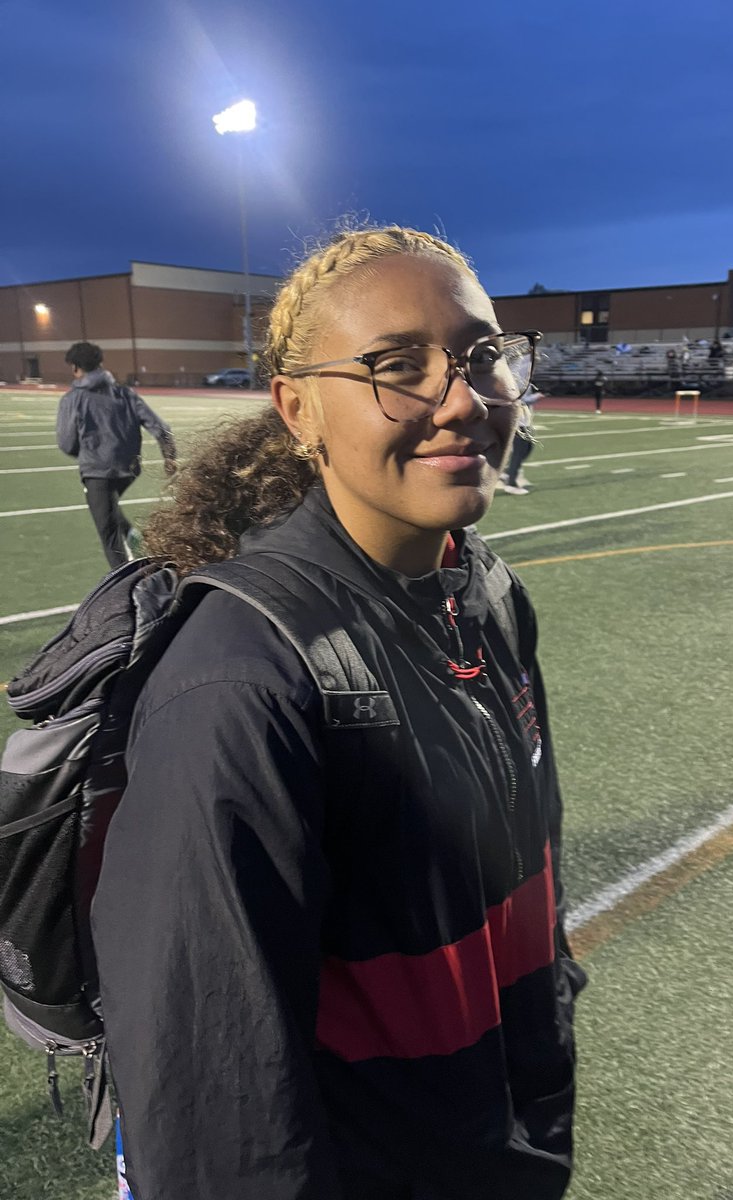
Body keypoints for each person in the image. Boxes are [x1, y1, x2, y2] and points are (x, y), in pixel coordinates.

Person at [91, 226, 586, 1200]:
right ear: (297, 409)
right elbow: (221, 1127)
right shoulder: (240, 683)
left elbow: (531, 880)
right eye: (398, 366)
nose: (462, 399)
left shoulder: (485, 593)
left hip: (500, 1150)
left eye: (485, 355)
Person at [56, 342, 176, 567]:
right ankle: (130, 533)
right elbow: (162, 428)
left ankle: (126, 586)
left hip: (97, 473)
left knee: (109, 535)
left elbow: (66, 443)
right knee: (108, 507)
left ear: (75, 368)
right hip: (129, 469)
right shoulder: (126, 394)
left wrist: (86, 454)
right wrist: (170, 459)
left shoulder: (73, 399)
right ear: (101, 364)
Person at [500, 388, 540, 494]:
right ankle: (511, 484)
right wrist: (536, 396)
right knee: (518, 452)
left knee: (528, 447)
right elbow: (520, 400)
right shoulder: (517, 382)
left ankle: (508, 473)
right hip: (518, 423)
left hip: (524, 422)